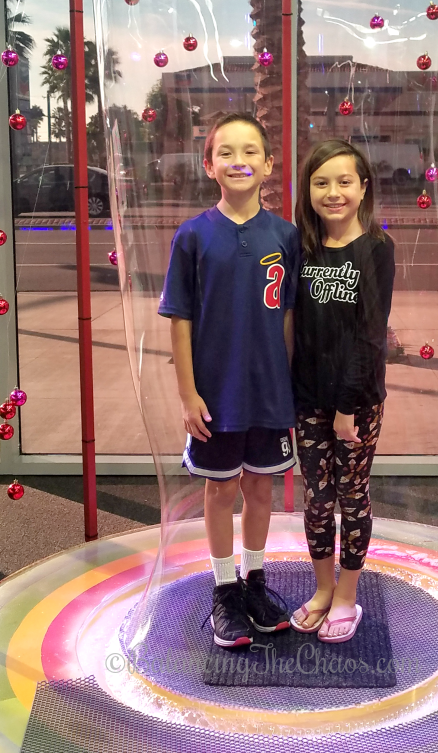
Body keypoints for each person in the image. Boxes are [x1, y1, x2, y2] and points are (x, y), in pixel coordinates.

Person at [158, 113, 299, 648]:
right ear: (209, 163)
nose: (238, 160)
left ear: (268, 163)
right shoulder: (193, 236)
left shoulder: (285, 236)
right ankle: (223, 589)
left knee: (261, 486)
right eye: (226, 152)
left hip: (268, 394)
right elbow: (180, 319)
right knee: (221, 489)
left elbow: (287, 317)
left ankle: (256, 580)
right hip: (215, 396)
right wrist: (188, 393)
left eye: (250, 152)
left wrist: (287, 385)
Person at [291, 139, 395, 643]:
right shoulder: (301, 247)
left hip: (355, 403)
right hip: (307, 399)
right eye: (321, 182)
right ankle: (322, 590)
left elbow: (370, 336)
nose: (333, 192)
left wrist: (347, 409)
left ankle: (348, 594)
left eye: (344, 181)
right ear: (308, 190)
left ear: (363, 187)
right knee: (316, 498)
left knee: (351, 497)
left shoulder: (377, 248)